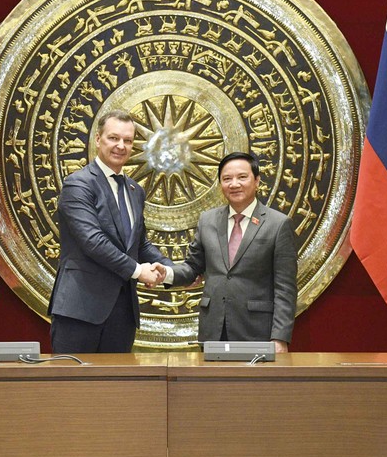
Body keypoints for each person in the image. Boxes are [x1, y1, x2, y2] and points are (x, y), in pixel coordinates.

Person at [48, 110, 169, 353]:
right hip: (79, 311)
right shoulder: (78, 184)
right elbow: (93, 241)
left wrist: (171, 270)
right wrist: (138, 271)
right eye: (113, 138)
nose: (121, 146)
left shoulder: (135, 190)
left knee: (117, 389)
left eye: (128, 140)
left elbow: (140, 244)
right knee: (71, 386)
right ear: (98, 139)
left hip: (122, 314)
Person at [156, 152, 298, 352]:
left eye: (242, 177)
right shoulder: (207, 220)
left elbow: (285, 288)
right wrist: (167, 273)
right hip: (213, 328)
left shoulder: (278, 224)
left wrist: (280, 337)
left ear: (257, 181)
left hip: (257, 331)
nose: (234, 184)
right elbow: (193, 267)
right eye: (227, 179)